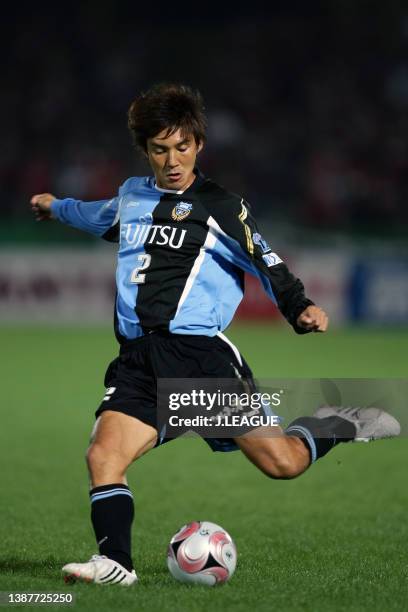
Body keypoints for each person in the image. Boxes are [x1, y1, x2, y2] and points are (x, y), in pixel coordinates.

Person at [30, 83, 400, 586]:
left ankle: (336, 421)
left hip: (199, 360)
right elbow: (92, 214)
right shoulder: (132, 197)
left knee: (283, 464)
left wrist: (301, 306)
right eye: (160, 149)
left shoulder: (219, 206)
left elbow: (266, 259)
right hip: (139, 361)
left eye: (182, 147)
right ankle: (116, 562)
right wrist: (55, 206)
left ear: (199, 145)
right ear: (146, 151)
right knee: (103, 454)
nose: (173, 160)